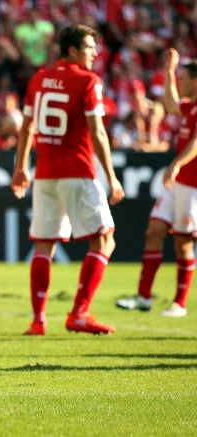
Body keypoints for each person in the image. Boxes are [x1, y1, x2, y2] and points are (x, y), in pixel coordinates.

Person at [10, 24, 125, 336]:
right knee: (104, 239)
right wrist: (112, 177)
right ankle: (80, 313)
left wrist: (21, 167)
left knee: (43, 246)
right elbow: (97, 132)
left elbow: (26, 127)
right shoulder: (88, 81)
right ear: (73, 51)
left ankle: (38, 321)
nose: (95, 53)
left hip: (45, 174)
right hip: (77, 171)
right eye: (89, 47)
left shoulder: (38, 78)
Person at [115, 49, 197, 318]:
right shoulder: (190, 106)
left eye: (184, 78)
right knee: (154, 231)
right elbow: (171, 103)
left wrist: (175, 164)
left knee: (183, 243)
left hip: (192, 184)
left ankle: (179, 303)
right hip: (179, 183)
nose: (180, 83)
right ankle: (144, 297)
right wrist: (170, 70)